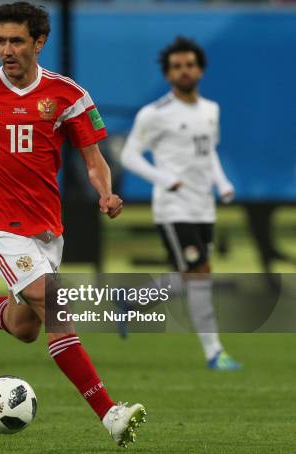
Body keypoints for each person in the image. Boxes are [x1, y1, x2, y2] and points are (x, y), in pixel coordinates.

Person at [0, 2, 146, 448]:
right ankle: (110, 414)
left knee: (28, 326)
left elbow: (93, 158)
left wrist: (104, 192)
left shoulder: (68, 96)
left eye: (16, 41)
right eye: (1, 41)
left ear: (39, 42)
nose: (7, 50)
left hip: (46, 228)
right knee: (56, 304)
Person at [120, 36, 242, 371]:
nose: (184, 71)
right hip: (174, 207)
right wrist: (164, 179)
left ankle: (130, 300)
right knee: (199, 273)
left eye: (189, 65)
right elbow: (129, 155)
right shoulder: (154, 114)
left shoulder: (211, 110)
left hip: (204, 206)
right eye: (176, 67)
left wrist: (223, 183)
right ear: (167, 74)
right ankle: (214, 352)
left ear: (200, 69)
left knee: (191, 276)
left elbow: (209, 152)